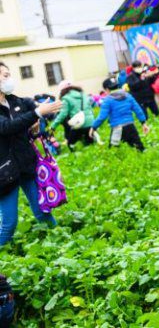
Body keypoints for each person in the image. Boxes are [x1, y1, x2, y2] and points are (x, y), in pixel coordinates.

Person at [0, 62, 60, 245]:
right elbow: (6, 127)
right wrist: (36, 113)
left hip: (27, 165)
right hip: (5, 172)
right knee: (9, 223)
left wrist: (36, 124)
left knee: (43, 211)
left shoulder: (17, 101)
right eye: (3, 75)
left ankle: (61, 241)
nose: (8, 78)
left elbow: (35, 119)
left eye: (8, 74)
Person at [90, 78, 149, 151]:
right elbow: (138, 109)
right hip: (130, 126)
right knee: (140, 149)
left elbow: (102, 117)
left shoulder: (108, 100)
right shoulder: (128, 96)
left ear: (107, 89)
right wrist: (143, 123)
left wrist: (93, 127)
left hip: (117, 128)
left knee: (113, 151)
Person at [48, 80, 95, 149]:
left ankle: (76, 153)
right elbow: (90, 108)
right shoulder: (82, 94)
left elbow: (62, 115)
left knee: (70, 144)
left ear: (62, 90)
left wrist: (53, 126)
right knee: (90, 143)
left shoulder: (66, 98)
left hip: (79, 124)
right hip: (91, 122)